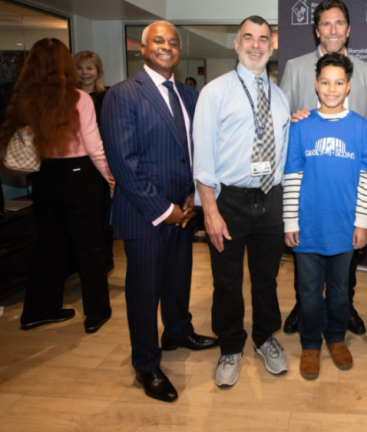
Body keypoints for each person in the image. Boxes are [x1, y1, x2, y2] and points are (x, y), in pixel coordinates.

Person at [102, 21, 217, 403]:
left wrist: (189, 201)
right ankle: (146, 363)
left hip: (182, 211)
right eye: (159, 41)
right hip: (145, 214)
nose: (166, 47)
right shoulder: (122, 95)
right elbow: (124, 163)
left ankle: (178, 331)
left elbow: (193, 151)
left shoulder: (188, 96)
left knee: (177, 278)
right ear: (142, 48)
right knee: (143, 291)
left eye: (172, 42)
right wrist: (163, 209)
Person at [194, 16, 291, 388]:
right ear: (236, 44)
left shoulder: (281, 97)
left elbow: (282, 154)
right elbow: (202, 159)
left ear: (272, 45)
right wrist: (211, 212)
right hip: (229, 201)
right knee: (227, 282)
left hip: (270, 199)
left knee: (266, 279)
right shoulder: (215, 92)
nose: (255, 44)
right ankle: (231, 345)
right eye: (248, 38)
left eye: (263, 38)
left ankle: (265, 338)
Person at [0, 38, 114, 333]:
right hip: (79, 175)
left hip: (44, 176)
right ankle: (96, 312)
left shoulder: (26, 98)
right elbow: (94, 147)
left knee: (48, 245)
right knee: (89, 246)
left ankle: (36, 311)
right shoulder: (79, 98)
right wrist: (111, 180)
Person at [279, 0, 367, 336]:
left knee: (343, 269)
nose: (333, 30)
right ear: (316, 29)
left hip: (347, 191)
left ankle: (343, 308)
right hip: (310, 182)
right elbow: (284, 117)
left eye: (339, 24)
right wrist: (293, 118)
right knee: (306, 270)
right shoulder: (294, 66)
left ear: (348, 29)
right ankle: (304, 309)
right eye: (326, 24)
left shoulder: (366, 71)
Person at [74, 50, 114, 272]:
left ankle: (104, 261)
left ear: (98, 71)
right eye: (80, 68)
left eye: (90, 68)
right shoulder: (67, 97)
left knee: (103, 218)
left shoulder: (109, 97)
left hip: (102, 166)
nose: (85, 73)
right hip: (79, 167)